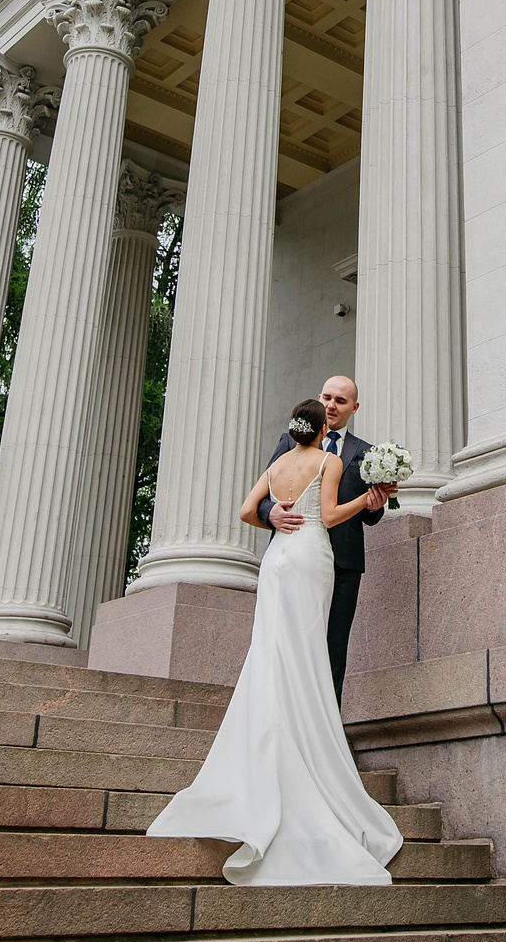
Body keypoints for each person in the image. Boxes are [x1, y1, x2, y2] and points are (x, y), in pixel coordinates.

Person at [145, 398, 404, 885]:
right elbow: (327, 517)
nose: (332, 407)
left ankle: (275, 735)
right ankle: (307, 741)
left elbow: (247, 510)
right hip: (309, 557)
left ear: (294, 427)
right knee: (304, 653)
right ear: (318, 423)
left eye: (339, 399)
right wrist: (366, 502)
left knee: (271, 651)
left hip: (277, 560)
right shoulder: (327, 461)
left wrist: (275, 516)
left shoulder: (282, 461)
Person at [252, 374, 389, 702]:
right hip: (296, 553)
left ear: (354, 408)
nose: (330, 405)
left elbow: (371, 516)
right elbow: (263, 495)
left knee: (333, 648)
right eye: (327, 397)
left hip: (343, 563)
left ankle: (327, 737)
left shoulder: (367, 453)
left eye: (340, 401)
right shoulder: (289, 442)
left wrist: (375, 506)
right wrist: (269, 512)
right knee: (288, 640)